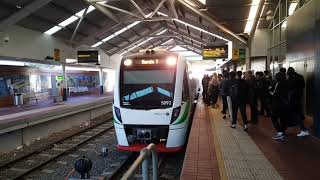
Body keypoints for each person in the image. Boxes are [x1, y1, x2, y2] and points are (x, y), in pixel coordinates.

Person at [287, 67, 309, 137]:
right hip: (298, 97)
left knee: (296, 113)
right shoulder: (300, 77)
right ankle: (299, 126)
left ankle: (304, 129)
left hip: (294, 98)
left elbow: (290, 87)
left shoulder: (291, 78)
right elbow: (303, 85)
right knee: (296, 112)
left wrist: (294, 90)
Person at [270, 72, 289, 141]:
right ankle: (282, 133)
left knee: (273, 117)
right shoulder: (287, 83)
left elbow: (275, 94)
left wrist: (270, 91)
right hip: (285, 104)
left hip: (278, 104)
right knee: (283, 119)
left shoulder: (278, 84)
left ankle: (280, 133)